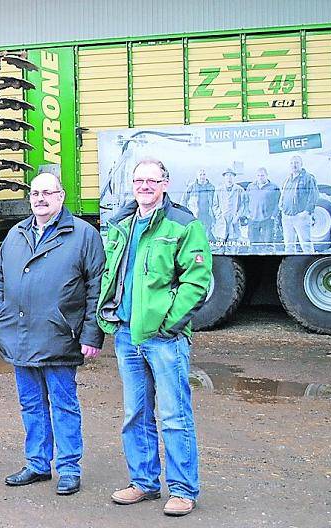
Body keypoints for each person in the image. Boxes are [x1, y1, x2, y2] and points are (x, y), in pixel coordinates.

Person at [97, 158, 212, 517]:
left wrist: (170, 323)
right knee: (136, 413)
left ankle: (182, 489)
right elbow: (110, 272)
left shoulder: (182, 224)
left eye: (152, 180)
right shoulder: (122, 223)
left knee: (174, 414)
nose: (144, 186)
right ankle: (143, 483)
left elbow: (197, 280)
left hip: (164, 338)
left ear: (165, 183)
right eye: (139, 180)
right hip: (126, 334)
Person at [0, 172, 105, 496]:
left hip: (60, 334)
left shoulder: (83, 235)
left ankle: (69, 468)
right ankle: (37, 463)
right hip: (20, 334)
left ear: (61, 196)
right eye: (35, 193)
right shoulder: (16, 235)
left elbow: (97, 286)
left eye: (47, 193)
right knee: (30, 403)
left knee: (63, 403)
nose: (40, 198)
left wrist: (91, 335)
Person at [279, 155, 319, 253]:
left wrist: (306, 212)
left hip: (301, 217)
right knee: (288, 245)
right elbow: (283, 194)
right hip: (287, 217)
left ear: (301, 164)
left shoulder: (308, 178)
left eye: (296, 163)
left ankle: (309, 263)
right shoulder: (287, 179)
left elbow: (314, 195)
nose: (294, 165)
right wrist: (281, 207)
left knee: (306, 245)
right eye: (292, 163)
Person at [246, 167, 281, 246]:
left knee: (267, 243)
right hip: (253, 219)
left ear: (267, 175)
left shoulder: (274, 187)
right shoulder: (251, 186)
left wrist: (273, 215)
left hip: (267, 220)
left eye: (262, 175)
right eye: (258, 175)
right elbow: (245, 200)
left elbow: (278, 203)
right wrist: (248, 213)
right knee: (253, 243)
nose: (260, 177)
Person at [180, 169, 218, 243]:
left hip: (208, 215)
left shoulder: (211, 187)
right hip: (195, 215)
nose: (202, 176)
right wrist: (184, 214)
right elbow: (183, 200)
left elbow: (216, 202)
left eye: (204, 174)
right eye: (200, 174)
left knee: (207, 234)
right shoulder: (191, 187)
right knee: (196, 233)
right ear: (197, 176)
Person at [215, 168, 247, 244]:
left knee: (234, 243)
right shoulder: (219, 190)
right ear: (224, 177)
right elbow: (215, 205)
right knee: (221, 243)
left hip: (234, 220)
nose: (229, 178)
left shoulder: (239, 190)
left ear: (234, 177)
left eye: (231, 176)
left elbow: (243, 205)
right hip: (222, 221)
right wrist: (219, 216)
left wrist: (237, 216)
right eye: (227, 176)